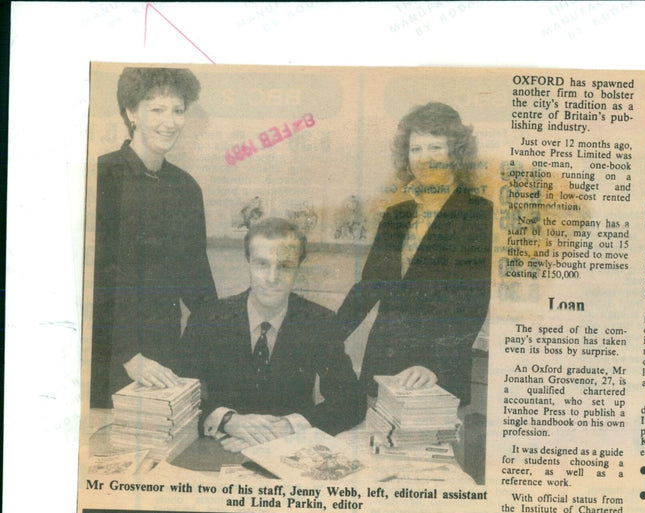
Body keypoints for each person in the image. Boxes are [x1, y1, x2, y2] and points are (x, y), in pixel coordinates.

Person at [336, 102, 492, 405]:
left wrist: (434, 364)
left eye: (435, 147)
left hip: (435, 372)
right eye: (416, 148)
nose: (424, 158)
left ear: (456, 153)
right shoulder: (397, 214)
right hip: (385, 362)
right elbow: (368, 287)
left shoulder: (479, 214)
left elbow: (473, 303)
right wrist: (326, 336)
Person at [179, 218, 365, 452]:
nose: (272, 277)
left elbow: (352, 402)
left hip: (287, 451)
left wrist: (289, 425)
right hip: (217, 447)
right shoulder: (207, 319)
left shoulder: (319, 322)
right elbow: (176, 397)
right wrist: (227, 420)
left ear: (299, 266)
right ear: (248, 262)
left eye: (285, 266)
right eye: (261, 264)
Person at [91, 67, 217, 408]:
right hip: (109, 356)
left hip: (166, 357)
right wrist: (128, 355)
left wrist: (215, 351)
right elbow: (93, 284)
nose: (170, 121)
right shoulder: (102, 176)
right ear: (132, 113)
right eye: (157, 109)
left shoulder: (187, 188)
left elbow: (199, 284)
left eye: (178, 110)